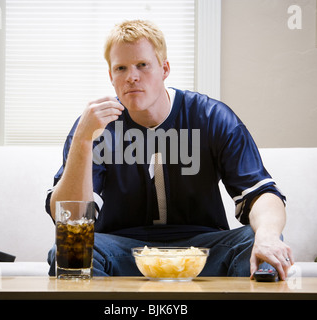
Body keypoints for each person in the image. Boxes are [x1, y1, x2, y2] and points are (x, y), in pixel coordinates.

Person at [45, 20, 293, 280]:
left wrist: (267, 237)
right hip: (125, 249)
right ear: (111, 76)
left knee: (256, 239)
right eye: (121, 68)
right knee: (70, 249)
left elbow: (261, 192)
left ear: (164, 69)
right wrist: (84, 141)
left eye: (142, 65)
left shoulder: (211, 117)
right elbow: (69, 220)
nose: (132, 76)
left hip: (202, 250)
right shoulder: (95, 126)